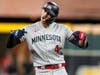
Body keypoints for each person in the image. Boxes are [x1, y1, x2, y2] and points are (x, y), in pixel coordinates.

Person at [6, 1, 88, 75]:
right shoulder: (30, 29)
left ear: (54, 16)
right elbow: (9, 45)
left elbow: (82, 45)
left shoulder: (63, 28)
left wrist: (83, 39)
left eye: (49, 13)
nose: (45, 14)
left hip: (59, 70)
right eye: (44, 10)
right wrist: (12, 36)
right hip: (41, 71)